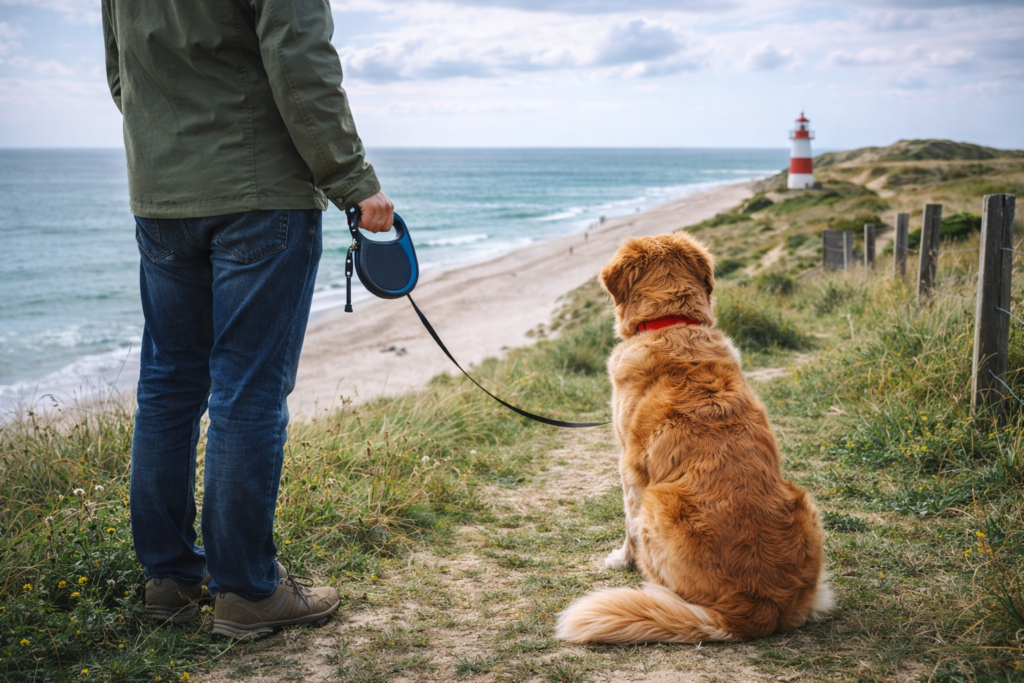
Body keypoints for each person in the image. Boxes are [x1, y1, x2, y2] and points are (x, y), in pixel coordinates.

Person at [101, 0, 392, 640]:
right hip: (259, 195)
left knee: (169, 387)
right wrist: (353, 179)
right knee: (248, 391)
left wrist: (175, 145)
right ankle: (247, 591)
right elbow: (301, 62)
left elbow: (121, 72)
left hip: (163, 194)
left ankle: (169, 581)